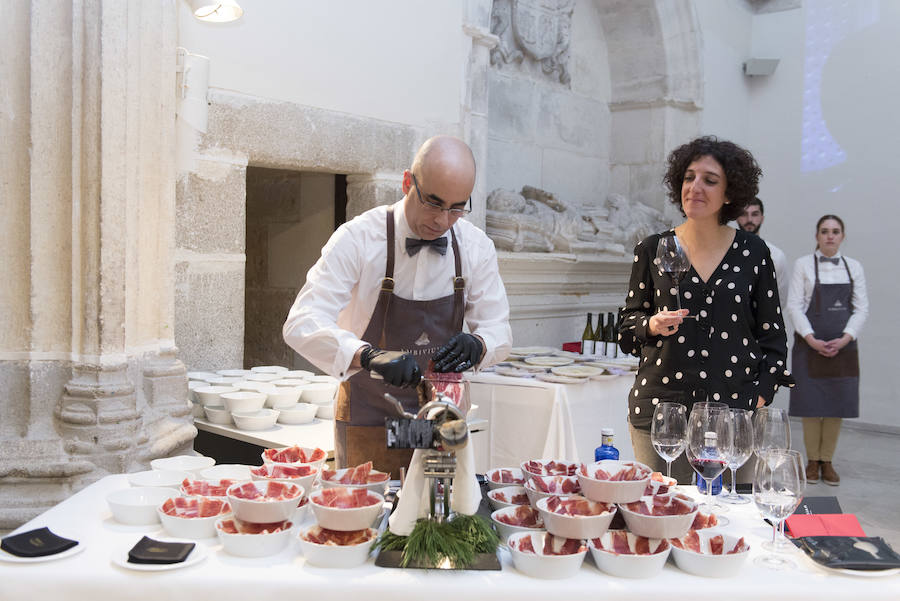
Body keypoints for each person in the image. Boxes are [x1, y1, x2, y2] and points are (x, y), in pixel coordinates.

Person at [282, 136, 512, 477]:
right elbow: (301, 322)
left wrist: (479, 344)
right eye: (433, 203)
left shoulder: (476, 247)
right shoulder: (358, 239)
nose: (443, 221)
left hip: (442, 421)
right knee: (368, 522)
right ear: (408, 182)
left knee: (440, 518)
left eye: (456, 208)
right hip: (369, 417)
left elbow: (500, 330)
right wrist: (367, 355)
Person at [619, 136, 793, 484]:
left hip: (734, 415)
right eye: (689, 177)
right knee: (662, 518)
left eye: (709, 180)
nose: (695, 187)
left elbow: (773, 338)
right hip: (661, 412)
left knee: (728, 524)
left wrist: (759, 395)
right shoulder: (652, 248)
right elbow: (627, 329)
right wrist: (652, 324)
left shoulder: (754, 253)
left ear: (730, 194)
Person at [787, 215, 867, 486]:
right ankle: (812, 461)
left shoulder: (854, 267)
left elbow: (861, 308)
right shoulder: (803, 265)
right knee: (811, 405)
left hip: (843, 347)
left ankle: (827, 461)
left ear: (842, 236)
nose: (830, 236)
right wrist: (811, 338)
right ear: (817, 236)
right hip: (809, 346)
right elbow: (794, 306)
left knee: (836, 405)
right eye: (825, 231)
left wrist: (846, 338)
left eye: (835, 231)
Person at [735, 198, 789, 304]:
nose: (749, 219)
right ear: (737, 218)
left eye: (754, 214)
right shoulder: (725, 253)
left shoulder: (776, 255)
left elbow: (780, 298)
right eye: (744, 214)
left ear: (762, 218)